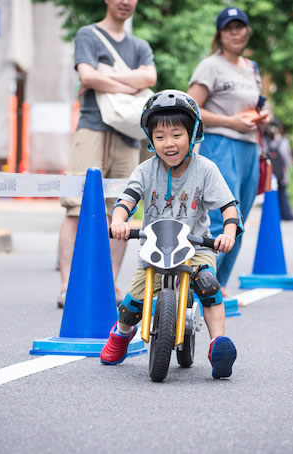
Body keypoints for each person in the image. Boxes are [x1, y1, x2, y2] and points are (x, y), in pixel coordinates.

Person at [103, 90, 242, 379]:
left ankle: (218, 344)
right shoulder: (144, 170)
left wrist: (228, 231)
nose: (169, 143)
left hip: (195, 247)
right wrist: (118, 221)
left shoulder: (206, 169)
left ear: (193, 135)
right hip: (154, 247)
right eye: (160, 136)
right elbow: (126, 201)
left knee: (207, 283)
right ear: (151, 139)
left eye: (177, 134)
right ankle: (122, 333)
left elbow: (229, 207)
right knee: (132, 304)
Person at [57, 0, 156, 308]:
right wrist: (130, 82)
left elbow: (150, 79)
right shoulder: (88, 34)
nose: (125, 2)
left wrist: (107, 79)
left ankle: (109, 284)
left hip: (127, 134)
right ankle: (66, 286)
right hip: (92, 128)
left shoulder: (140, 45)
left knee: (121, 211)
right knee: (76, 206)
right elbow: (86, 76)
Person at [187, 6, 270, 297]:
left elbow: (257, 104)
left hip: (249, 147)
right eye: (229, 28)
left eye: (240, 27)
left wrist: (263, 116)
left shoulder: (251, 67)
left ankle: (217, 287)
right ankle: (201, 286)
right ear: (220, 34)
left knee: (240, 222)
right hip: (221, 143)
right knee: (223, 217)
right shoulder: (211, 65)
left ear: (247, 31)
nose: (236, 33)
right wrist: (230, 121)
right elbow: (191, 108)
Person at [263, 119, 293, 221]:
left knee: (268, 194)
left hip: (268, 173)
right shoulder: (283, 142)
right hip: (280, 173)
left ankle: (270, 216)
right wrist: (287, 172)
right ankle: (285, 214)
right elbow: (286, 159)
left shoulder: (264, 140)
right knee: (282, 194)